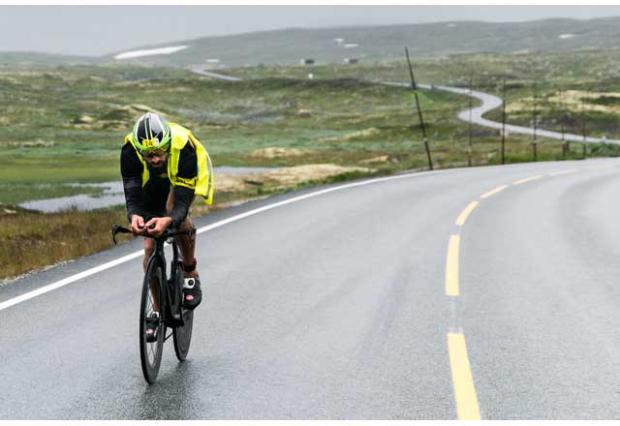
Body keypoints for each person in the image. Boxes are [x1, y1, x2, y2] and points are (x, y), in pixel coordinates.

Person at [121, 112, 214, 339]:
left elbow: (182, 201)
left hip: (182, 177)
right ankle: (158, 309)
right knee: (149, 247)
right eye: (148, 155)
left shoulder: (183, 146)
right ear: (140, 150)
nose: (154, 159)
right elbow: (132, 191)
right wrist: (134, 215)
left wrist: (170, 220)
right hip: (153, 184)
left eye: (159, 152)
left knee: (175, 214)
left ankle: (190, 270)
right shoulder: (130, 150)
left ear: (168, 144)